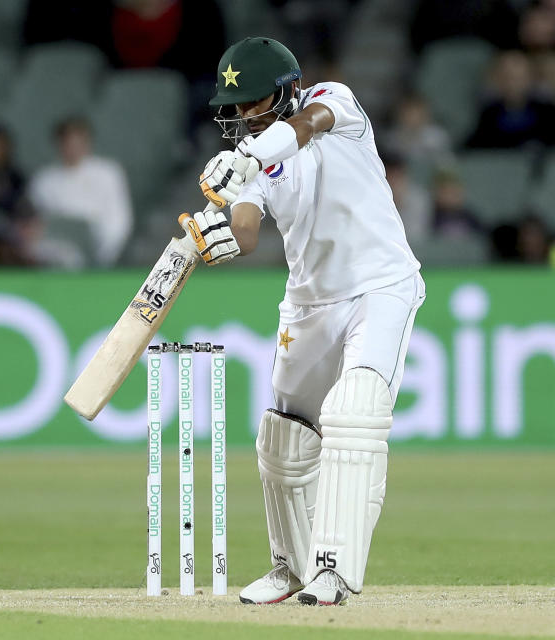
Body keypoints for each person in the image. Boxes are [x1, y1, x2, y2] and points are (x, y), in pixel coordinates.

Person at [185, 37, 425, 606]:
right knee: (283, 438)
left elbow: (307, 126)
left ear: (288, 87)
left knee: (355, 412)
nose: (244, 117)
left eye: (255, 103)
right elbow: (245, 230)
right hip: (309, 305)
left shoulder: (332, 101)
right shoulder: (252, 159)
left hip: (380, 285)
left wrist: (250, 155)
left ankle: (334, 571)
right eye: (236, 108)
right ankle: (290, 567)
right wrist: (213, 237)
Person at [28, 116, 133, 266]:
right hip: (55, 254)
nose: (72, 147)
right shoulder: (43, 180)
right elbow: (37, 224)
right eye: (67, 142)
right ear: (58, 144)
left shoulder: (109, 173)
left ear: (87, 142)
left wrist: (104, 255)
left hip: (98, 249)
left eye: (78, 141)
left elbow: (119, 220)